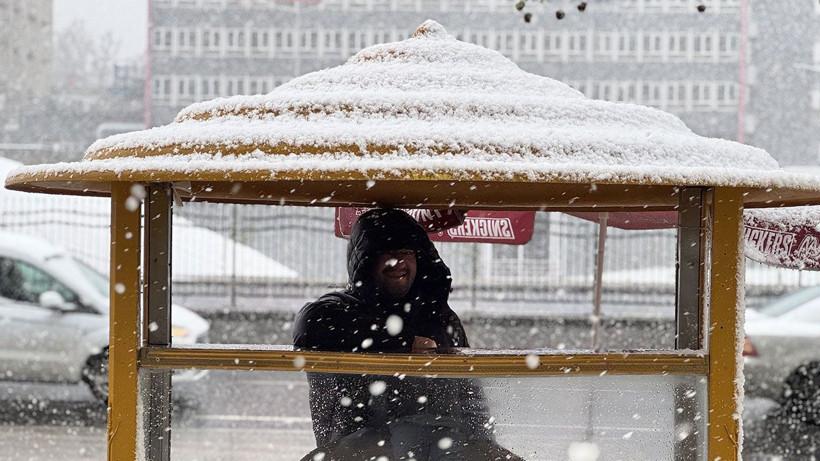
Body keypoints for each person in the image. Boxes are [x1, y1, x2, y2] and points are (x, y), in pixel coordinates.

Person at [293, 208, 522, 461]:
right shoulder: (342, 309)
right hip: (360, 452)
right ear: (366, 261)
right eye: (386, 253)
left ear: (420, 258)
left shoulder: (439, 318)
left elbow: (470, 398)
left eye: (407, 253)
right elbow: (311, 323)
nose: (398, 262)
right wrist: (400, 342)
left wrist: (482, 445)